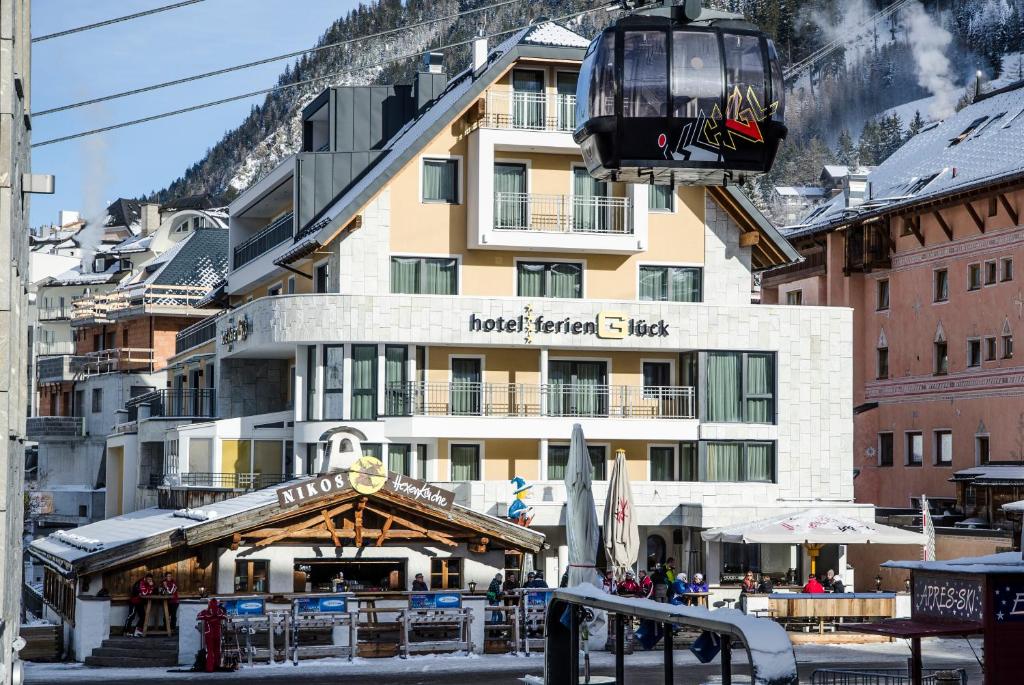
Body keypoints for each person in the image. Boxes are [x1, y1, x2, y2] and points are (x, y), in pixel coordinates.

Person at [197, 598, 227, 672]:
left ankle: (210, 668)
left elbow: (198, 617)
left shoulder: (206, 612)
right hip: (217, 633)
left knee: (210, 651)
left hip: (209, 633)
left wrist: (208, 617)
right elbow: (225, 616)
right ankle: (217, 665)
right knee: (217, 650)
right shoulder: (219, 611)